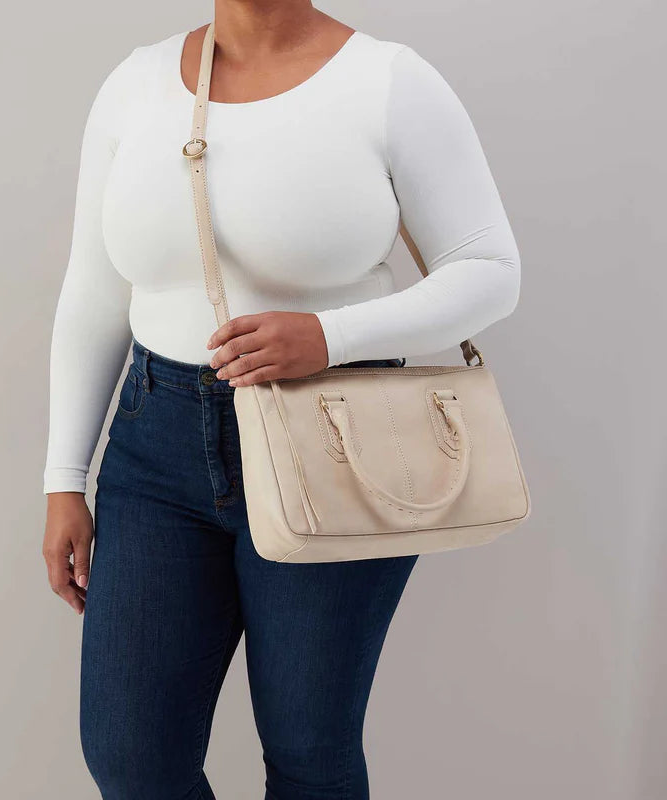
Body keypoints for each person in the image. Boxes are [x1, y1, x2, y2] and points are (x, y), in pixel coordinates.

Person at [42, 3, 521, 798]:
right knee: (130, 756)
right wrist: (64, 477)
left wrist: (328, 336)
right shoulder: (137, 83)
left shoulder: (390, 83)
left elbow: (491, 270)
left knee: (308, 753)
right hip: (155, 447)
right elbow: (94, 289)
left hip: (337, 442)